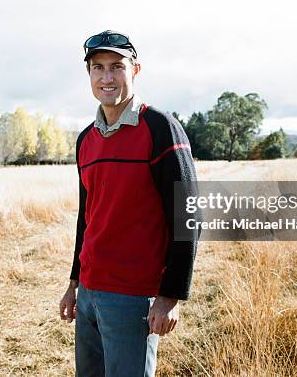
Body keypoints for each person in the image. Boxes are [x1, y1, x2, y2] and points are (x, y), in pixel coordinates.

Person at [58, 30, 198, 376]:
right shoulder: (86, 140)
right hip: (90, 292)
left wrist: (170, 296)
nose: (107, 77)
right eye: (98, 68)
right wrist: (74, 283)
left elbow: (188, 215)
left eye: (116, 67)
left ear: (135, 70)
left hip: (134, 296)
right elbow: (87, 217)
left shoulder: (161, 128)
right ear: (89, 74)